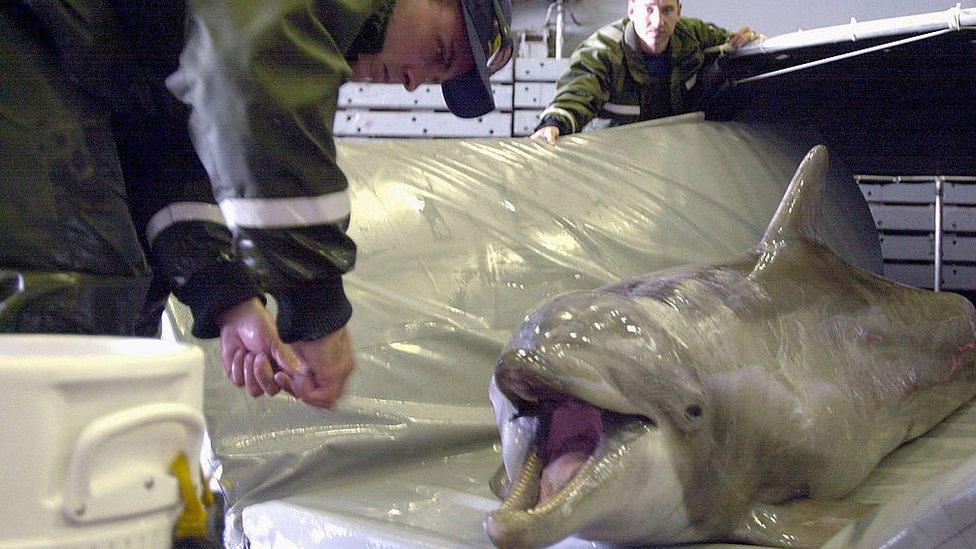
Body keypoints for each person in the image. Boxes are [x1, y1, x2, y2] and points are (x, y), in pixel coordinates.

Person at [0, 0, 513, 408]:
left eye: (435, 80)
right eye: (441, 52)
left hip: (65, 51)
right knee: (64, 301)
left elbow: (160, 151)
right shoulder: (277, 28)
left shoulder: (191, 32)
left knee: (111, 320)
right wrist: (314, 306)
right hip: (29, 30)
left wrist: (230, 300)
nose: (412, 81)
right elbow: (253, 64)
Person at [530, 0, 760, 145]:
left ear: (679, 11)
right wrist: (555, 123)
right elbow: (579, 92)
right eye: (648, 9)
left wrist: (745, 39)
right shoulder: (603, 50)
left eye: (667, 10)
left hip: (676, 153)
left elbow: (732, 42)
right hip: (617, 155)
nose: (658, 21)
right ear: (631, 10)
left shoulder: (691, 35)